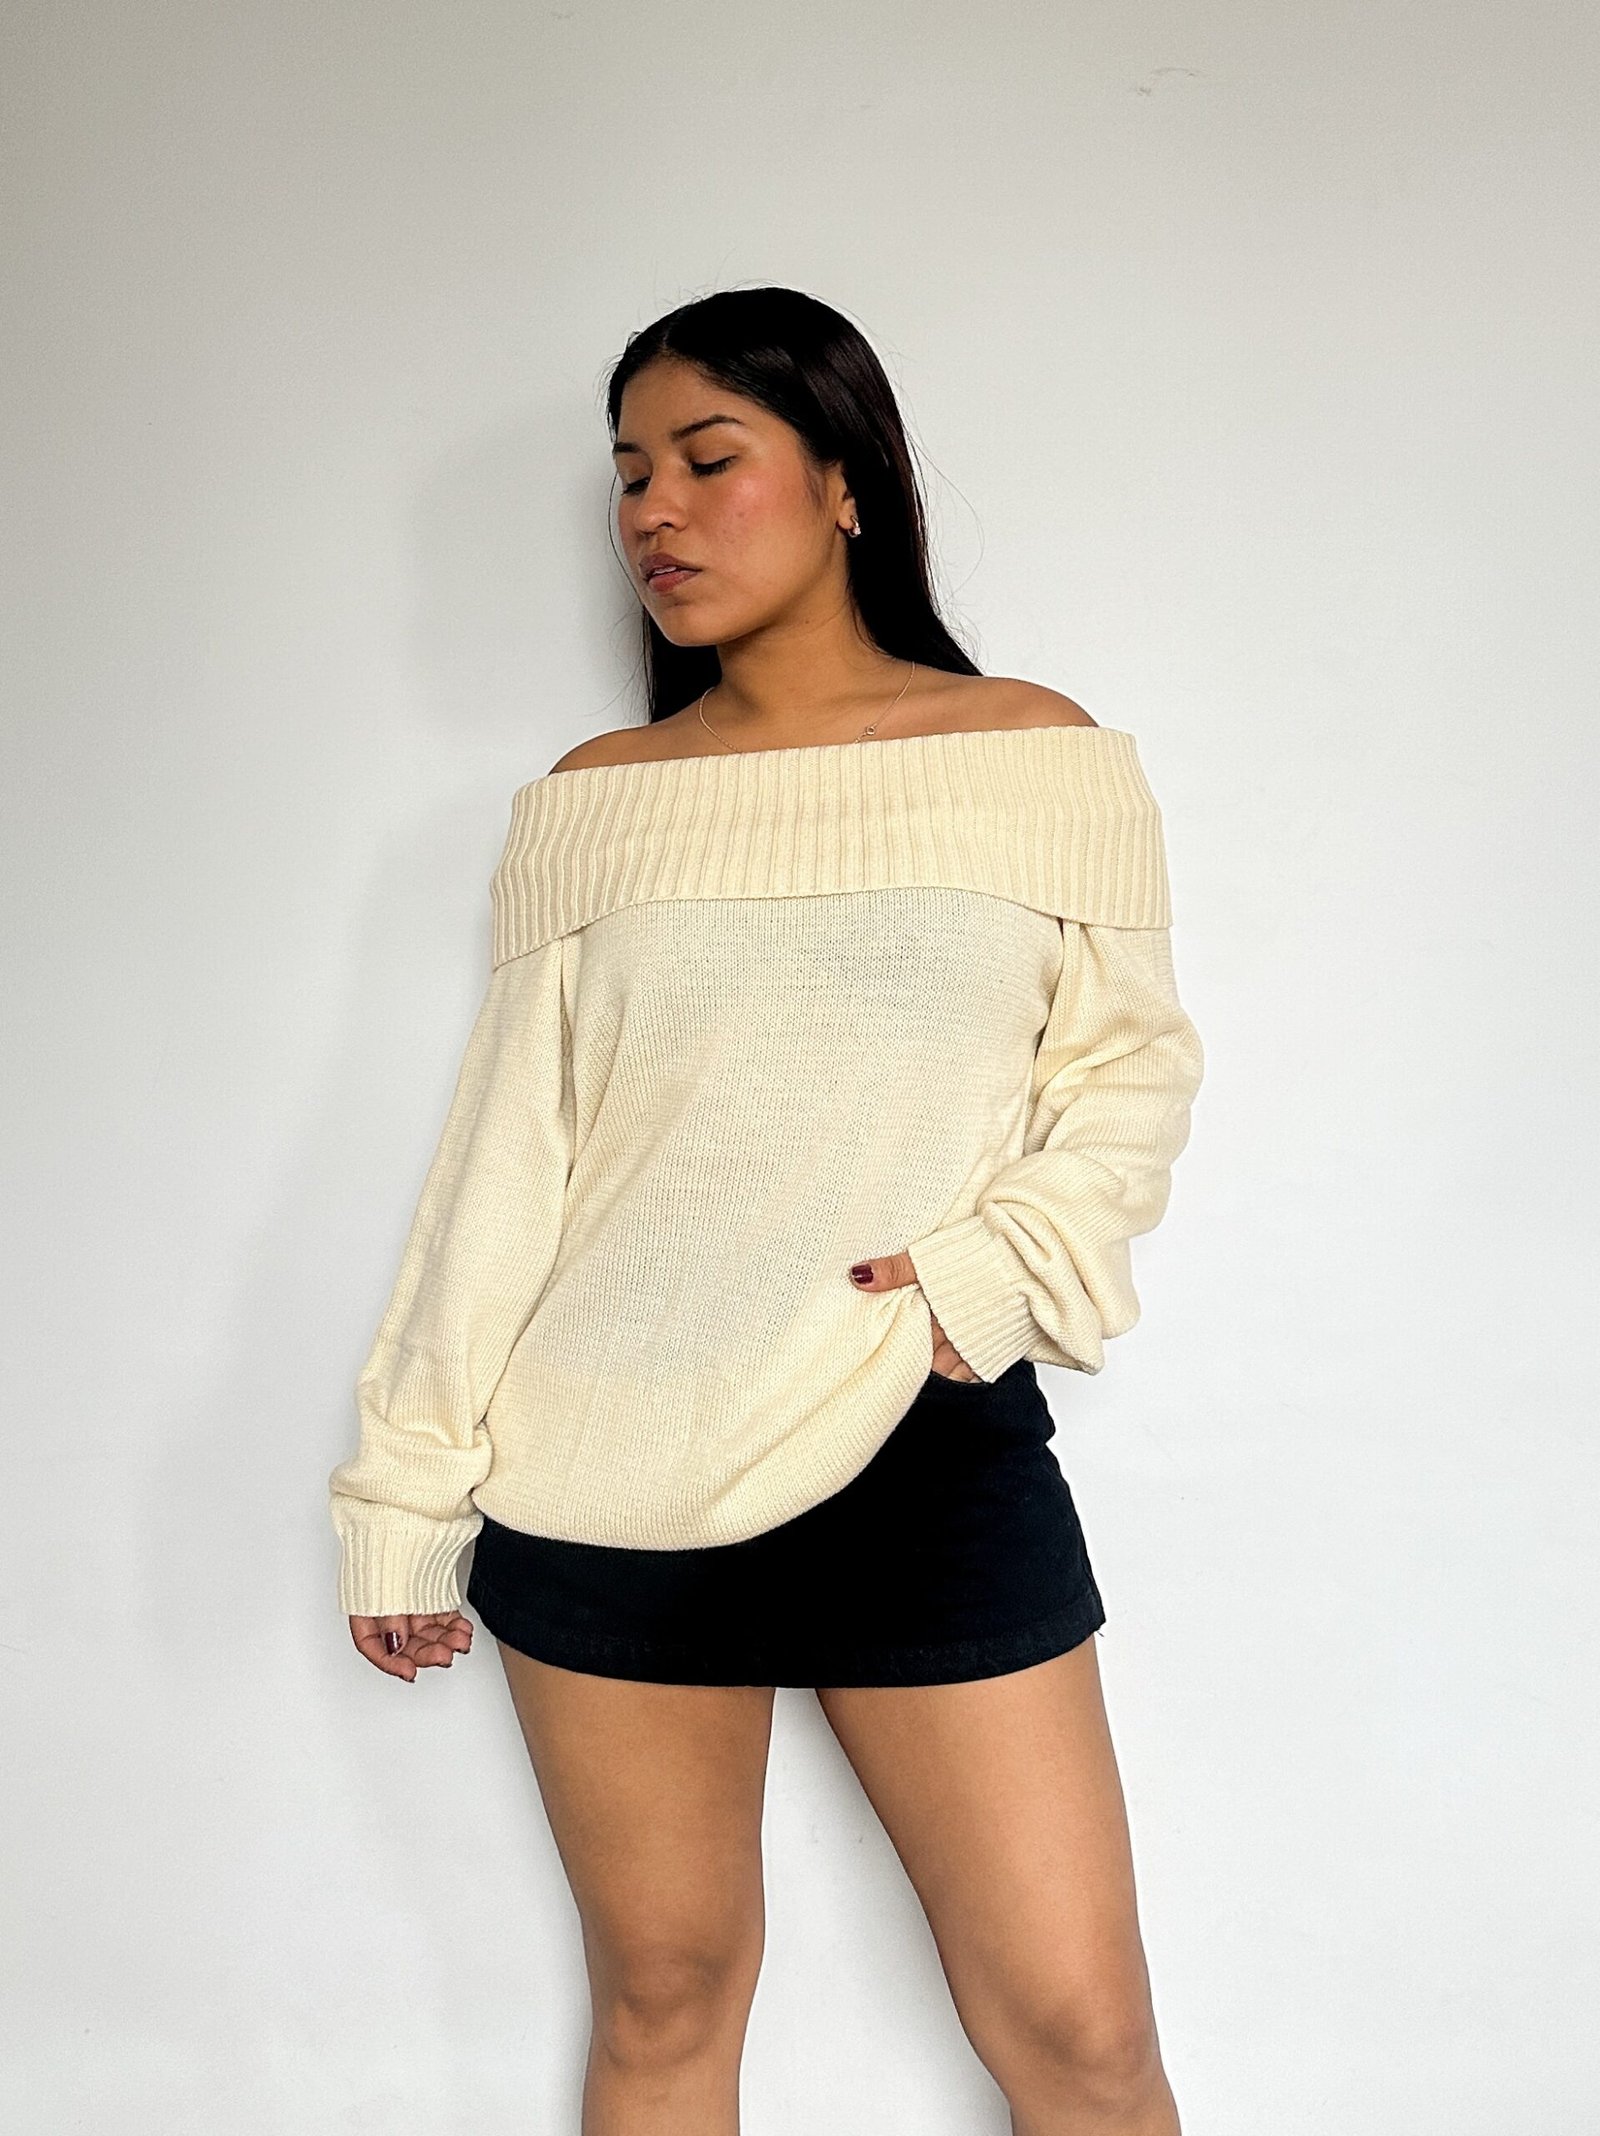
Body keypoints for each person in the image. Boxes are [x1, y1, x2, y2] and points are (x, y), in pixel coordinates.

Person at [328, 286, 1204, 2135]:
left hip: (922, 1445)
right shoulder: (596, 803)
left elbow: (1129, 1079)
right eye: (629, 474)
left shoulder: (1036, 756)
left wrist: (985, 1286)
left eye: (707, 459)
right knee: (664, 2001)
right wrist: (405, 1491)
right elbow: (508, 1163)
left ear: (845, 480)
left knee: (1082, 2036)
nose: (652, 509)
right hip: (606, 1466)